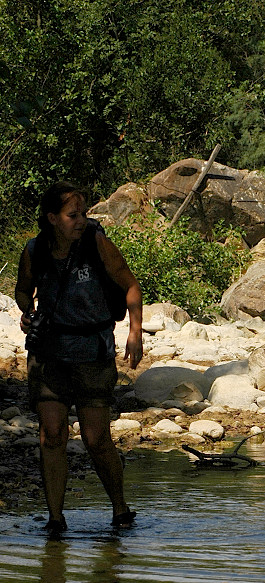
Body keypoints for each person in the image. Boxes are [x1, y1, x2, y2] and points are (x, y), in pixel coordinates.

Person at [15, 181, 143, 535]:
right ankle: (55, 520)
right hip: (48, 355)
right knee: (51, 435)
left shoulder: (96, 243)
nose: (81, 220)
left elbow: (131, 285)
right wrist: (28, 312)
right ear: (53, 218)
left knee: (96, 439)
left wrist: (134, 331)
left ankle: (120, 509)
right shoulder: (35, 250)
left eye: (84, 213)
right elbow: (23, 290)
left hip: (92, 353)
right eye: (74, 215)